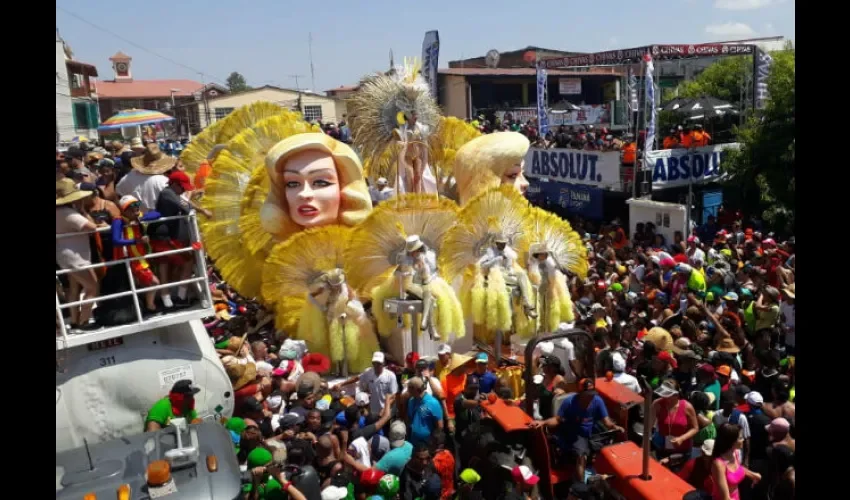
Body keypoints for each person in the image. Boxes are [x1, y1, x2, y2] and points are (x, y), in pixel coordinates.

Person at [530, 379, 624, 482]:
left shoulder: (597, 401)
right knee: (581, 455)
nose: (591, 397)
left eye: (592, 394)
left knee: (610, 447)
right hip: (574, 433)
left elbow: (607, 422)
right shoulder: (569, 402)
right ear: (580, 393)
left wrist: (615, 427)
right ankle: (582, 485)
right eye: (588, 394)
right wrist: (543, 422)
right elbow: (557, 419)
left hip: (590, 432)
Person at [56, 179, 101, 330]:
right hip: (76, 258)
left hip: (65, 256)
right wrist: (82, 210)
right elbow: (91, 227)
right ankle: (84, 321)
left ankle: (75, 320)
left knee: (74, 288)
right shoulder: (68, 213)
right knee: (92, 287)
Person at [112, 195, 163, 314]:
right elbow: (116, 240)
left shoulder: (138, 217)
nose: (135, 209)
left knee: (144, 284)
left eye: (136, 205)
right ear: (124, 210)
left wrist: (144, 217)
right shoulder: (118, 221)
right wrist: (136, 241)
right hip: (130, 259)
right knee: (154, 282)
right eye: (131, 207)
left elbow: (157, 214)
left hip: (140, 257)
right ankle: (150, 307)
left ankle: (147, 306)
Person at [334, 351, 399, 416]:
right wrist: (341, 384)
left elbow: (393, 396)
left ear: (383, 363)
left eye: (379, 363)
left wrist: (384, 409)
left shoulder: (391, 376)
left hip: (386, 412)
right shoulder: (368, 372)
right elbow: (356, 378)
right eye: (374, 363)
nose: (376, 365)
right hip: (372, 412)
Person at [115, 143, 173, 211]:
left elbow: (118, 194)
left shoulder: (128, 177)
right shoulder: (163, 181)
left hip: (139, 218)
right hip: (161, 218)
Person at [710, 423, 761, 500]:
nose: (743, 439)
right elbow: (725, 498)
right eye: (740, 438)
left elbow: (737, 469)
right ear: (731, 441)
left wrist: (753, 475)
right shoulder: (718, 465)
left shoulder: (735, 453)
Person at [653, 379, 699, 460]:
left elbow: (695, 428)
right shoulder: (657, 404)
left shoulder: (687, 407)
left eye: (667, 395)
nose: (664, 397)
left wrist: (681, 438)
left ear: (676, 395)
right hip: (662, 449)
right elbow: (649, 425)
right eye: (663, 394)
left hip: (682, 450)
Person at [406, 377, 444, 446]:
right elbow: (409, 419)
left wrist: (434, 442)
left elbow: (440, 426)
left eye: (410, 388)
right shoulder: (411, 401)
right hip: (413, 441)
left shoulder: (433, 403)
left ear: (418, 390)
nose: (408, 391)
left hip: (427, 443)